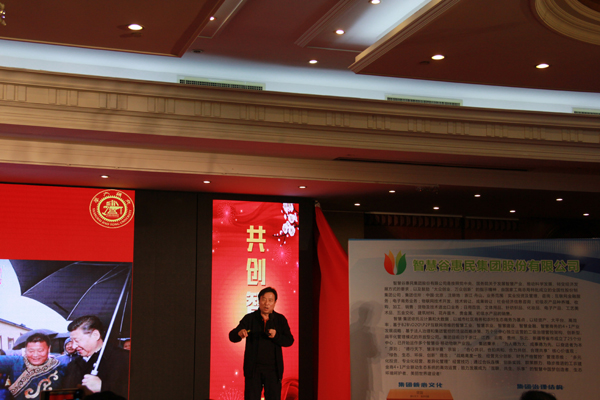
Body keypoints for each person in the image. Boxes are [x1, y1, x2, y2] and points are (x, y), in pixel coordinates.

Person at [229, 287, 294, 400]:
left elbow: (289, 340)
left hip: (273, 371)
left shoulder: (280, 319)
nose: (266, 303)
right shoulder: (250, 318)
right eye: (264, 299)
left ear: (275, 302)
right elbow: (232, 336)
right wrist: (239, 334)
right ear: (259, 300)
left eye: (270, 300)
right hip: (253, 370)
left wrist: (276, 336)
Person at [63, 316, 129, 399]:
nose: (73, 346)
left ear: (95, 335)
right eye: (71, 341)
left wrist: (103, 387)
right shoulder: (73, 365)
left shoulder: (125, 359)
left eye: (77, 341)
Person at [0, 333, 68, 400]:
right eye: (31, 351)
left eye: (40, 351)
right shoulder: (16, 362)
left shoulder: (61, 368)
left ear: (49, 349)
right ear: (25, 350)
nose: (35, 355)